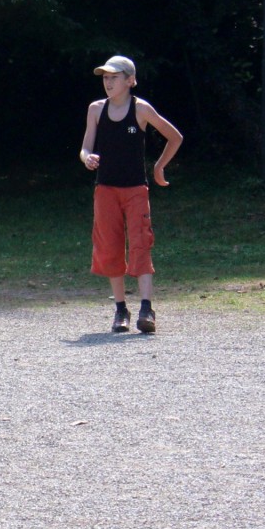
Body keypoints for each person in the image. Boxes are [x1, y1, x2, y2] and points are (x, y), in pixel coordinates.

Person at [78, 55, 183, 334]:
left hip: (136, 189)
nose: (108, 82)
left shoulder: (141, 109)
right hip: (105, 190)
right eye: (105, 77)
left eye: (114, 77)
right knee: (110, 247)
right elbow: (85, 148)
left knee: (140, 243)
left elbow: (175, 137)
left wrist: (159, 167)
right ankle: (121, 310)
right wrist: (87, 158)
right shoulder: (96, 109)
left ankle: (146, 309)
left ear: (130, 80)